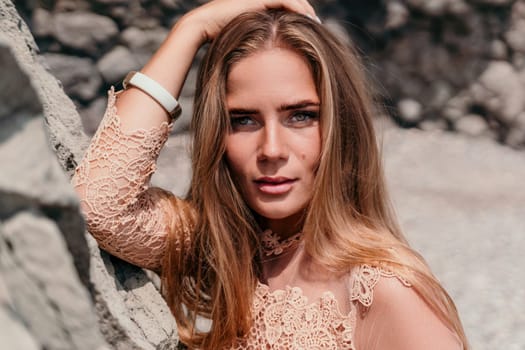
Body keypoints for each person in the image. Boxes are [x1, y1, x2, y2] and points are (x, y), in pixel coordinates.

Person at [71, 0, 468, 348]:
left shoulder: (384, 291)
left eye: (301, 116)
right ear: (216, 134)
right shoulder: (217, 249)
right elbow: (98, 204)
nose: (272, 150)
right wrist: (192, 29)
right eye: (243, 121)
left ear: (341, 128)